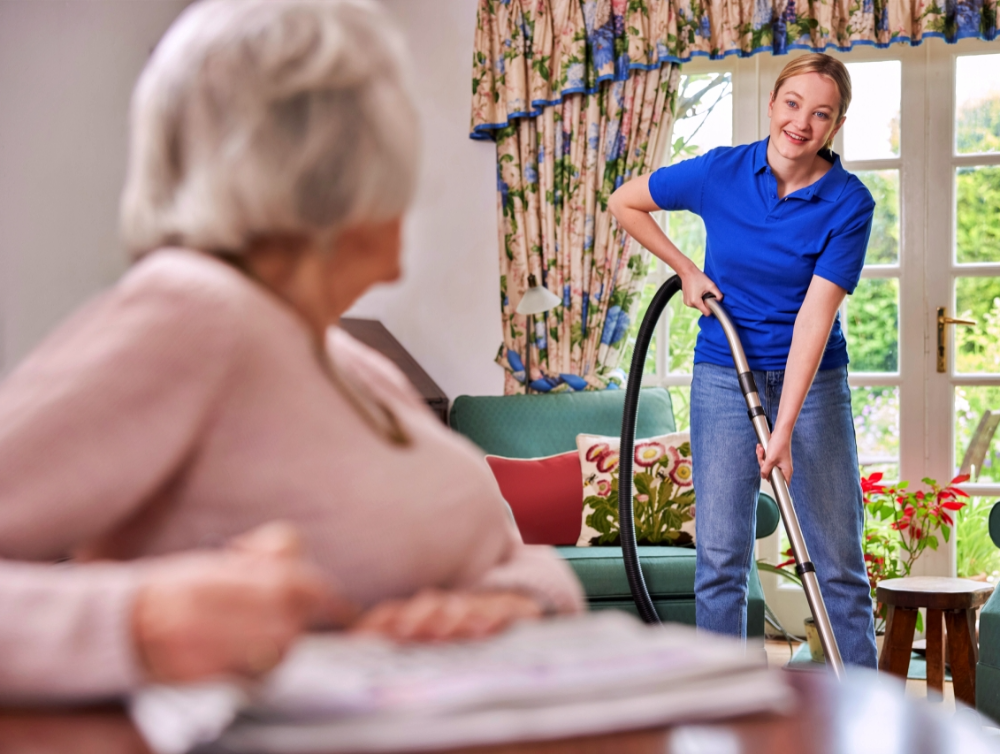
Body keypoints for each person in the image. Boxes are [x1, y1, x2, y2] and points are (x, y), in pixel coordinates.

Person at [0, 0, 583, 700]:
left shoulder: (352, 363)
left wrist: (513, 604)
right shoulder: (195, 312)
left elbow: (528, 561)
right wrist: (137, 621)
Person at [609, 53, 877, 668]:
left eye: (821, 114)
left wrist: (783, 429)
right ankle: (726, 710)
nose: (801, 124)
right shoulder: (721, 172)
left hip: (811, 383)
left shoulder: (848, 203)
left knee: (837, 561)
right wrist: (687, 270)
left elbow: (816, 317)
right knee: (722, 559)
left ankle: (864, 712)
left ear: (835, 126)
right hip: (723, 377)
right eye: (792, 104)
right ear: (772, 102)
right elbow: (625, 202)